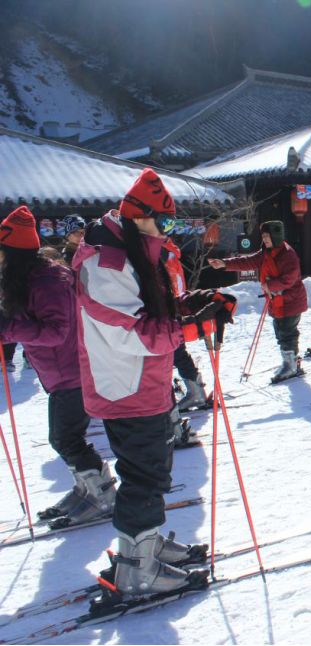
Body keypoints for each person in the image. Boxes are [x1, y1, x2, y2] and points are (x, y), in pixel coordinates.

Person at [74, 168, 221, 596]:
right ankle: (138, 569)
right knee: (143, 476)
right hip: (126, 384)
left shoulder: (130, 250)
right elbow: (134, 330)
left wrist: (190, 305)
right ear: (139, 215)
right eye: (166, 222)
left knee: (154, 472)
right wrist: (191, 327)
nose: (169, 231)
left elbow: (151, 309)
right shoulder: (108, 262)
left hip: (142, 382)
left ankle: (147, 544)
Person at [0, 206, 115, 527]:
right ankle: (87, 488)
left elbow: (56, 331)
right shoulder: (29, 278)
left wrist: (7, 327)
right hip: (63, 372)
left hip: (74, 371)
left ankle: (101, 493)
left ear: (13, 252)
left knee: (66, 439)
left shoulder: (46, 280)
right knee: (66, 437)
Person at [208, 221, 308, 383]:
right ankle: (291, 362)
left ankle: (290, 365)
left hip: (291, 301)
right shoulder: (266, 253)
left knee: (286, 332)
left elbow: (289, 279)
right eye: (263, 236)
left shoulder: (287, 254)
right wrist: (225, 263)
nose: (265, 239)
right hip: (277, 300)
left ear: (276, 236)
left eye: (268, 236)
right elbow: (248, 261)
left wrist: (269, 285)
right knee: (280, 330)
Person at [162, 236, 207, 410]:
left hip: (167, 307)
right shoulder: (168, 251)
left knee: (175, 351)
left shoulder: (161, 253)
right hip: (174, 305)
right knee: (176, 351)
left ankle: (195, 392)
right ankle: (195, 389)